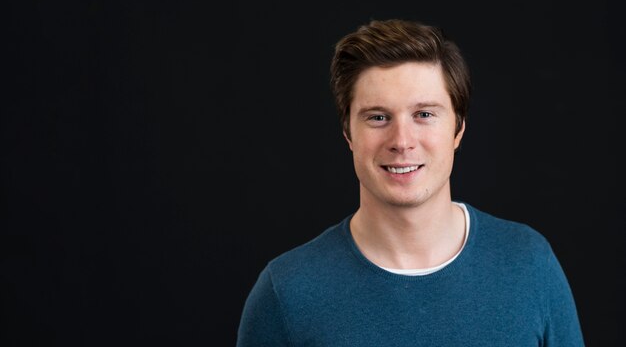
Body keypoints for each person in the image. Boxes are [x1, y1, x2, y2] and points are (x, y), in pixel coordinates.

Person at [236, 18, 584, 346]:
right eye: (378, 117)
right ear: (348, 134)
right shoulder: (287, 292)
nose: (401, 141)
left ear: (458, 130)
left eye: (424, 115)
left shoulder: (529, 264)